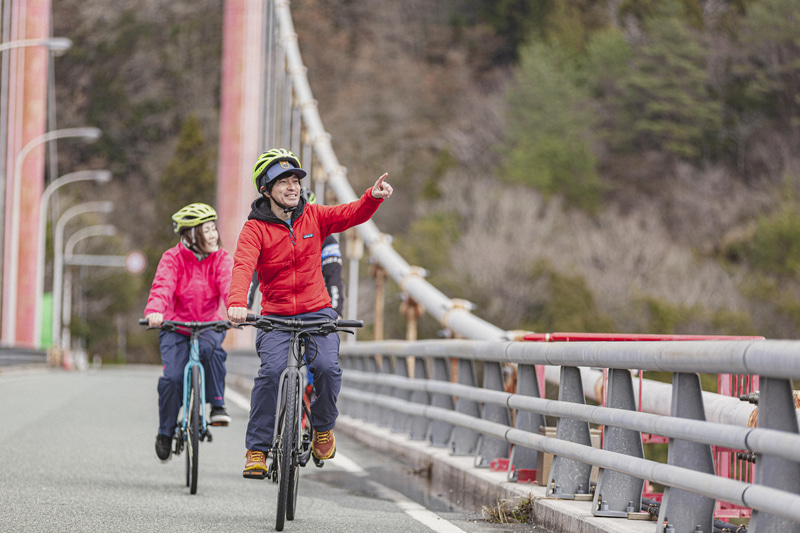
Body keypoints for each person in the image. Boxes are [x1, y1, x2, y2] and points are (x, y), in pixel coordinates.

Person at [227, 148, 392, 479]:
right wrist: (237, 302)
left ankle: (321, 429)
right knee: (271, 374)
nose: (292, 187)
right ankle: (257, 450)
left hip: (318, 312)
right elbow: (244, 265)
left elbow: (350, 214)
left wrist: (372, 198)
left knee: (327, 369)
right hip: (275, 317)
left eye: (295, 181)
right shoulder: (254, 229)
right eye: (283, 182)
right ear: (265, 189)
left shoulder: (315, 216)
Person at [144, 203, 234, 462]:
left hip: (209, 324)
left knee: (213, 351)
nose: (214, 234)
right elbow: (163, 285)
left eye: (213, 228)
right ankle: (166, 431)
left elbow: (229, 285)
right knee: (172, 378)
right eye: (206, 230)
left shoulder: (222, 258)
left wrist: (235, 309)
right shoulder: (172, 258)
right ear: (191, 236)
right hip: (175, 326)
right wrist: (155, 311)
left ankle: (217, 404)